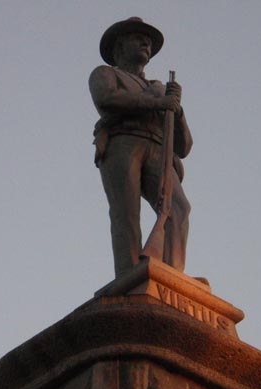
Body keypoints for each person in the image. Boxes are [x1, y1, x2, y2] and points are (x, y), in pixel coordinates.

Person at [89, 17, 193, 278]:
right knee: (126, 212)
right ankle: (129, 273)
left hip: (160, 149)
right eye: (138, 38)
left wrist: (175, 109)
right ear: (119, 47)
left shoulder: (158, 88)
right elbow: (107, 99)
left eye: (147, 40)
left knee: (178, 208)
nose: (146, 42)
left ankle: (172, 273)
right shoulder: (106, 73)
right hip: (123, 142)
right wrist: (155, 102)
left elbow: (185, 145)